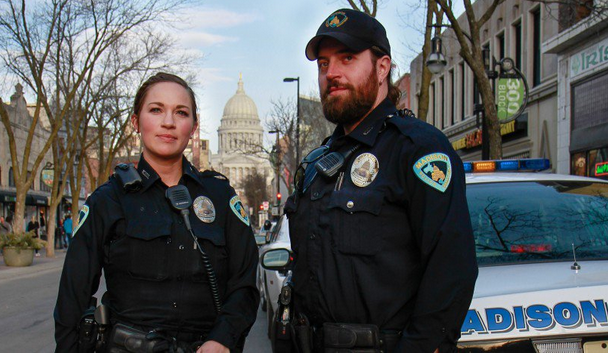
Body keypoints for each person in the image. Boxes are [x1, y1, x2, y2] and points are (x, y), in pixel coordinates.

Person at [283, 9, 478, 353]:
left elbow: (452, 269)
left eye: (347, 58)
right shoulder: (317, 163)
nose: (332, 73)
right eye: (324, 64)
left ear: (382, 67)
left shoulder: (416, 148)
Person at [54, 72, 260, 353]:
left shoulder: (221, 197)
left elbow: (245, 284)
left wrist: (223, 338)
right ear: (136, 122)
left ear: (194, 125)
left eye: (181, 112)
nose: (168, 122)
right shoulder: (108, 200)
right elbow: (72, 299)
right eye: (156, 110)